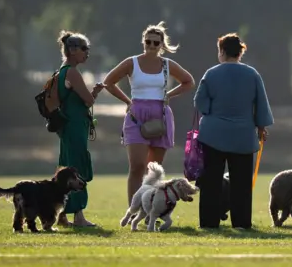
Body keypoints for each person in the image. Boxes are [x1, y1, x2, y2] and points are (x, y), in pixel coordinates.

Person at [100, 22, 195, 207]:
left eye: (156, 43)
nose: (151, 46)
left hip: (160, 115)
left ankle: (150, 209)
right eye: (148, 42)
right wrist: (127, 101)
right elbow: (108, 82)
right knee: (137, 166)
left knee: (153, 170)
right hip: (136, 114)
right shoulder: (132, 62)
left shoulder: (167, 65)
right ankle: (133, 209)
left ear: (162, 45)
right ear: (143, 42)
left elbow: (188, 82)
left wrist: (169, 95)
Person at [194, 33, 274, 229]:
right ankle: (241, 222)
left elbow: (200, 103)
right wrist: (261, 126)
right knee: (241, 184)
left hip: (213, 134)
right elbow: (261, 104)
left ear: (222, 51)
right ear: (240, 53)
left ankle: (209, 222)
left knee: (211, 182)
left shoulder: (211, 73)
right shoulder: (252, 74)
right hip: (243, 135)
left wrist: (213, 112)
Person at [54, 30, 103, 227]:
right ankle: (79, 216)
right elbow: (88, 100)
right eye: (84, 49)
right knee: (77, 168)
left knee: (65, 168)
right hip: (75, 126)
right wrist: (95, 92)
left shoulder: (61, 71)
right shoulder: (73, 72)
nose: (87, 53)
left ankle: (62, 215)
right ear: (72, 50)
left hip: (67, 126)